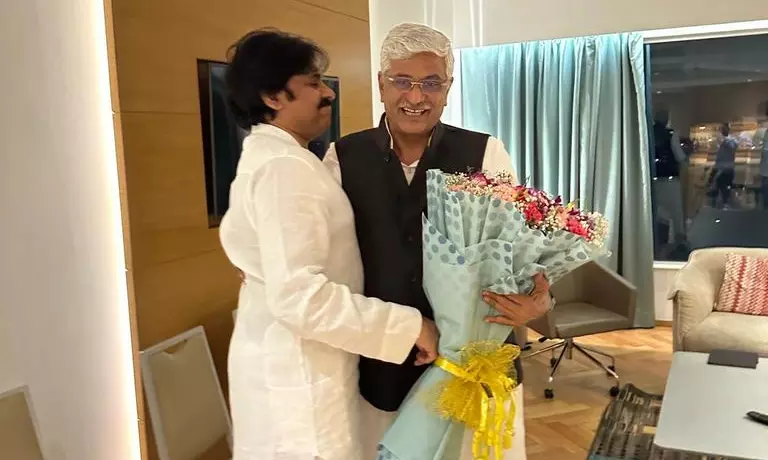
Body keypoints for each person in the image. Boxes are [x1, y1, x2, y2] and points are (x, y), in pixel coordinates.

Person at [323, 23, 551, 460]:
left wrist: (540, 298)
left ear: (448, 88)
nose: (416, 96)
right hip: (384, 362)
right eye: (402, 81)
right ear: (381, 84)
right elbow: (324, 252)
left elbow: (521, 247)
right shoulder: (343, 158)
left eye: (431, 83)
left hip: (474, 359)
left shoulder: (485, 153)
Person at [219, 29, 440, 460]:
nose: (329, 94)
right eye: (313, 83)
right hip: (300, 386)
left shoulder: (280, 159)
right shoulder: (284, 168)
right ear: (272, 97)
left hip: (302, 366)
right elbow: (300, 299)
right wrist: (411, 326)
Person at [709, 123, 738, 208]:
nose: (722, 130)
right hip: (719, 167)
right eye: (721, 129)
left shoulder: (732, 140)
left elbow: (732, 147)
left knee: (724, 187)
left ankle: (725, 204)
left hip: (727, 168)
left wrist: (723, 141)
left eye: (724, 129)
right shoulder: (720, 141)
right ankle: (716, 204)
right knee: (717, 185)